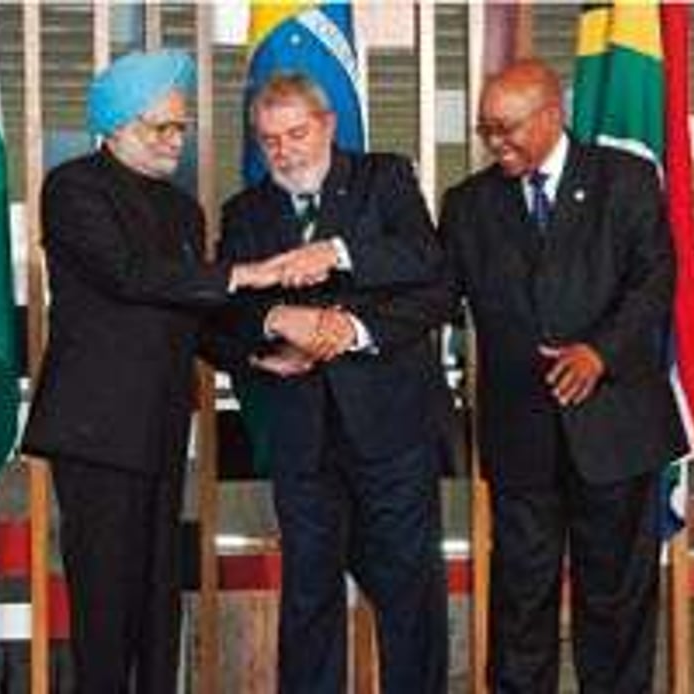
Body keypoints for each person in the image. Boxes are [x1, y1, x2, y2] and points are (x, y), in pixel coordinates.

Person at [20, 50, 285, 694]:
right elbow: (129, 275)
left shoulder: (183, 211)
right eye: (157, 128)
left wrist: (257, 348)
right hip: (97, 433)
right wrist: (243, 273)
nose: (173, 141)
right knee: (106, 607)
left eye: (179, 128)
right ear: (112, 127)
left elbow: (191, 318)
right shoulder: (74, 188)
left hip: (162, 429)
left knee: (160, 601)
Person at [439, 59, 688, 693]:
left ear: (553, 115)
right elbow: (435, 296)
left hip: (616, 429)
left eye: (507, 127)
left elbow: (655, 280)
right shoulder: (467, 203)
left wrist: (599, 353)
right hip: (522, 437)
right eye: (485, 128)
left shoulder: (625, 179)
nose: (495, 142)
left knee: (616, 604)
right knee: (521, 603)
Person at [218, 72, 453, 694]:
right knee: (309, 600)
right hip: (301, 436)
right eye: (269, 140)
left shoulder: (385, 179)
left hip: (392, 430)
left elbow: (430, 272)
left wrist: (344, 292)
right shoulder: (244, 212)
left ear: (327, 125)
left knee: (409, 597)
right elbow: (221, 319)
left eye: (296, 133)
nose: (284, 151)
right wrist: (272, 325)